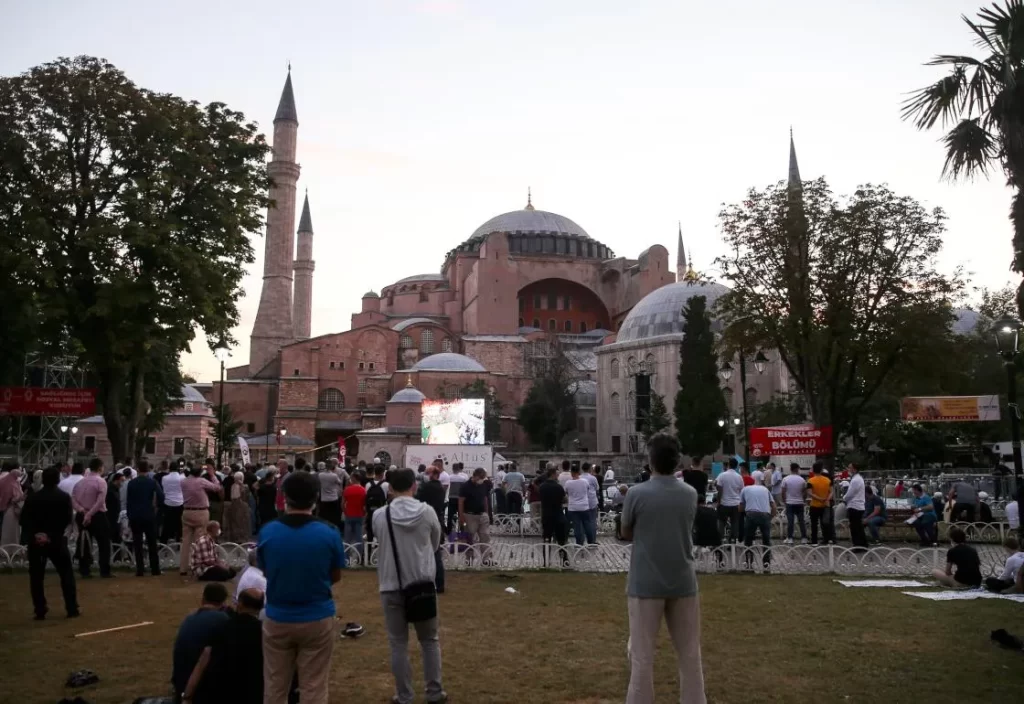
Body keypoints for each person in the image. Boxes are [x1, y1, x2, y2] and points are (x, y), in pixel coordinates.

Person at [620, 433, 705, 704]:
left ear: (650, 461)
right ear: (678, 461)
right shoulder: (690, 494)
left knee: (642, 655)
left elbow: (626, 531)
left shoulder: (636, 493)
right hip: (682, 580)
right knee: (690, 652)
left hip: (645, 582)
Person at [258, 470, 345, 704]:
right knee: (314, 688)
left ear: (285, 496)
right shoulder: (329, 533)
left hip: (277, 616)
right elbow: (335, 575)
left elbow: (266, 571)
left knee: (275, 687)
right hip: (317, 615)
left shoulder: (268, 532)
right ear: (316, 498)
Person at [373, 468, 447, 704]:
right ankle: (434, 692)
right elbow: (435, 544)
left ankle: (404, 695)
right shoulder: (427, 512)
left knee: (398, 643)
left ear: (390, 488)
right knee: (429, 641)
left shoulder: (380, 516)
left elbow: (379, 540)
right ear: (413, 487)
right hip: (422, 584)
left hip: (391, 584)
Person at [182, 588, 265, 704]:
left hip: (220, 693)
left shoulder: (222, 627)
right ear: (260, 608)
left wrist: (187, 696)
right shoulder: (266, 632)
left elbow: (203, 662)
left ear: (240, 604)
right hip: (254, 693)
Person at [20, 466, 78, 620]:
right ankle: (71, 607)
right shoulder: (64, 497)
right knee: (66, 574)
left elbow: (24, 520)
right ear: (58, 480)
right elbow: (66, 519)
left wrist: (37, 534)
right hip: (56, 540)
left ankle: (40, 609)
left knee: (36, 577)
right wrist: (51, 535)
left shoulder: (33, 497)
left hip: (37, 540)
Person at [171, 583, 231, 702]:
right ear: (223, 602)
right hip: (199, 689)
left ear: (203, 598)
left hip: (179, 682)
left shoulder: (190, 618)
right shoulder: (223, 620)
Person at [71, 457, 112, 578]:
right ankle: (104, 570)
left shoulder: (80, 482)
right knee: (104, 543)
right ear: (100, 468)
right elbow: (100, 501)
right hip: (97, 514)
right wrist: (89, 514)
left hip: (82, 514)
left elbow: (72, 498)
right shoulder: (101, 481)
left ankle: (84, 569)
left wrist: (82, 510)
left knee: (84, 541)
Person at [180, 465, 224, 577]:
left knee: (186, 542)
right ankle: (199, 567)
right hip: (200, 512)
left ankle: (183, 568)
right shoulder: (201, 481)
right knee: (200, 541)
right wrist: (212, 475)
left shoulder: (184, 481)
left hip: (186, 511)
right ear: (200, 473)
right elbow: (217, 488)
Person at [126, 460, 164, 577]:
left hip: (135, 516)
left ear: (137, 469)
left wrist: (130, 514)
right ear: (148, 470)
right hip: (149, 515)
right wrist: (156, 508)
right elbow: (161, 496)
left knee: (137, 543)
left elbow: (129, 500)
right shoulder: (152, 482)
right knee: (152, 542)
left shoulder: (131, 483)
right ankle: (155, 569)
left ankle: (140, 569)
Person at [416, 464, 447, 592]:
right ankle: (439, 584)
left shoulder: (426, 487)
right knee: (436, 551)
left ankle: (424, 581)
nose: (426, 475)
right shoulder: (440, 487)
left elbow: (417, 499)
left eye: (429, 473)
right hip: (438, 520)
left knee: (424, 551)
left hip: (426, 520)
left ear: (435, 475)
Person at [739, 475, 775, 570]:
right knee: (766, 539)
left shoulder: (744, 489)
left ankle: (749, 561)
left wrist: (743, 513)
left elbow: (740, 507)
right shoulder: (764, 489)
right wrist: (770, 517)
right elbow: (773, 506)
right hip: (765, 514)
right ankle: (766, 562)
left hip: (751, 515)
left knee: (748, 539)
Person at [458, 468, 492, 561]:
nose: (482, 479)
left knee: (485, 536)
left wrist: (487, 513)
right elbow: (461, 502)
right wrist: (461, 517)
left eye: (483, 478)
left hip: (482, 515)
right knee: (469, 538)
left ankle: (486, 559)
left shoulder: (483, 485)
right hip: (469, 515)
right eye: (481, 477)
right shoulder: (465, 486)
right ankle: (469, 558)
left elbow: (485, 498)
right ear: (475, 476)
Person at [539, 466, 569, 566]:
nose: (558, 475)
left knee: (546, 539)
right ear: (553, 474)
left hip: (547, 516)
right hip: (558, 515)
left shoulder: (542, 486)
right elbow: (565, 499)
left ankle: (546, 561)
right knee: (562, 540)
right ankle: (564, 560)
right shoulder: (558, 487)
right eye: (557, 474)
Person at [715, 459, 744, 543]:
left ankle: (719, 541)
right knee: (735, 523)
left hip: (724, 503)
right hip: (736, 504)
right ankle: (732, 541)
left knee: (721, 523)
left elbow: (719, 489)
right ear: (736, 466)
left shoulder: (722, 475)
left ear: (728, 465)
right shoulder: (739, 477)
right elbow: (741, 490)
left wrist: (719, 501)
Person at [564, 466, 592, 547]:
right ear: (579, 472)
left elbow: (566, 493)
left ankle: (579, 543)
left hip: (573, 507)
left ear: (571, 473)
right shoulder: (585, 481)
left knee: (577, 526)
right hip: (584, 506)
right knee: (587, 524)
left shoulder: (568, 483)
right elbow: (587, 490)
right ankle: (590, 542)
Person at [221, 471, 252, 544]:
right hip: (237, 506)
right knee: (236, 522)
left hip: (239, 506)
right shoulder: (236, 486)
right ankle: (237, 538)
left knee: (240, 523)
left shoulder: (242, 486)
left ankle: (240, 538)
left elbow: (243, 496)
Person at [807, 463, 833, 545]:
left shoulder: (810, 481)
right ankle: (827, 540)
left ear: (813, 470)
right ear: (821, 470)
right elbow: (832, 491)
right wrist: (827, 499)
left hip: (814, 505)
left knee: (814, 524)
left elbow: (810, 493)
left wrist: (819, 499)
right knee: (825, 523)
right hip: (826, 505)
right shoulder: (828, 480)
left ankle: (814, 541)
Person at [342, 473, 367, 561]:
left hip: (349, 515)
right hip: (359, 515)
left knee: (347, 538)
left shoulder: (347, 490)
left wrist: (346, 512)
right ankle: (359, 558)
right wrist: (363, 514)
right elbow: (365, 505)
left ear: (354, 479)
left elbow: (342, 504)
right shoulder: (363, 490)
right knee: (359, 537)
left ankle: (346, 557)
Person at [843, 462, 867, 549]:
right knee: (858, 527)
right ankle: (863, 544)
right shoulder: (858, 479)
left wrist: (844, 498)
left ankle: (857, 545)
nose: (848, 469)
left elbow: (850, 493)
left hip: (854, 505)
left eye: (850, 468)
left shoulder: (855, 480)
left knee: (855, 527)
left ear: (855, 469)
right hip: (858, 505)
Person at [161, 461, 185, 544]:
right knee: (179, 524)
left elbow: (164, 489)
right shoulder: (182, 478)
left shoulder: (164, 478)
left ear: (169, 468)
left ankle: (163, 543)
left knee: (166, 524)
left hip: (168, 502)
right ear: (177, 468)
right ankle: (179, 542)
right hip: (179, 502)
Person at [364, 465, 388, 542]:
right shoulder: (386, 485)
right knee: (381, 532)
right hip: (381, 511)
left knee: (369, 531)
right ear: (382, 473)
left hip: (370, 512)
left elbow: (365, 498)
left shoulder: (368, 484)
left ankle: (368, 550)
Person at [317, 461, 343, 531]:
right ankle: (333, 529)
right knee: (333, 516)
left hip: (324, 498)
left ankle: (323, 529)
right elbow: (339, 483)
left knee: (324, 516)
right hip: (333, 498)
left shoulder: (320, 475)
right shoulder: (334, 475)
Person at [582, 462, 600, 543]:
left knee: (583, 522)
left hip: (583, 502)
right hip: (592, 501)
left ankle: (583, 540)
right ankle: (592, 540)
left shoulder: (579, 477)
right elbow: (597, 489)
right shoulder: (593, 478)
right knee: (592, 521)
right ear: (589, 469)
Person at [446, 463, 468, 532]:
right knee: (461, 515)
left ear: (452, 469)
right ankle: (463, 529)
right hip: (460, 499)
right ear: (459, 469)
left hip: (451, 497)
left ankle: (449, 530)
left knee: (450, 516)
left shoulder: (449, 477)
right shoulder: (463, 479)